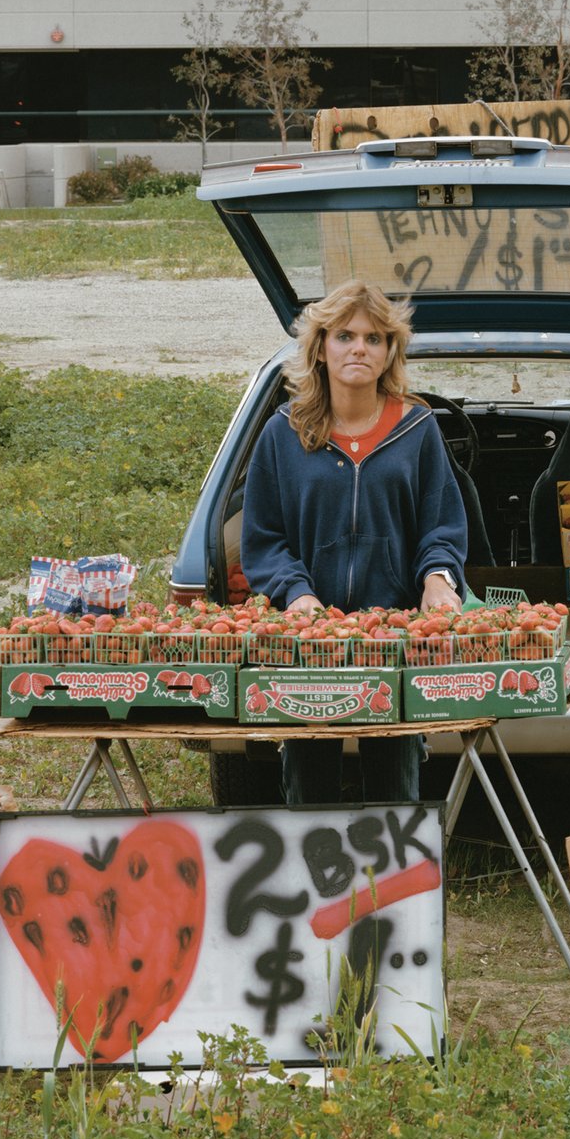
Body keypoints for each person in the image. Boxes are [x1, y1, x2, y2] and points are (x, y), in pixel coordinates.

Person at [239, 279, 468, 806]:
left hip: (394, 639)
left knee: (395, 790)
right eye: (344, 336)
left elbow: (442, 526)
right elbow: (264, 538)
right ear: (320, 347)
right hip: (307, 643)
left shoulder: (417, 429)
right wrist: (296, 594)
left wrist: (437, 579)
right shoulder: (284, 432)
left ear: (391, 350)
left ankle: (393, 887)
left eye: (374, 337)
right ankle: (311, 886)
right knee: (307, 788)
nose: (359, 348)